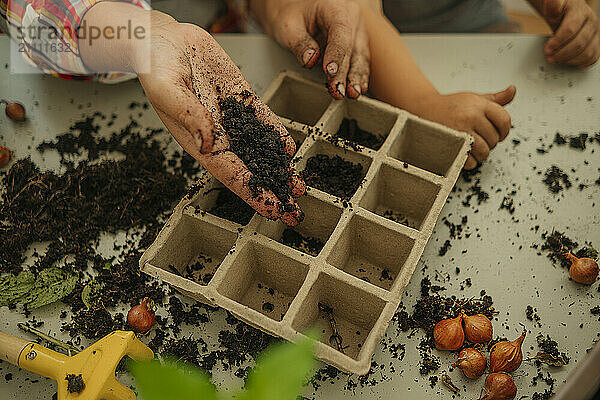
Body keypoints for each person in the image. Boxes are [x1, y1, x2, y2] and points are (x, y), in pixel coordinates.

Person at [0, 0, 372, 226]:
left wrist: (279, 8)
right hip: (88, 81)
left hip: (222, 48)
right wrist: (143, 37)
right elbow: (36, 20)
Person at [379, 0, 600, 68]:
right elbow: (364, 13)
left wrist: (565, 12)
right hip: (383, 36)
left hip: (485, 26)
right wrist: (426, 102)